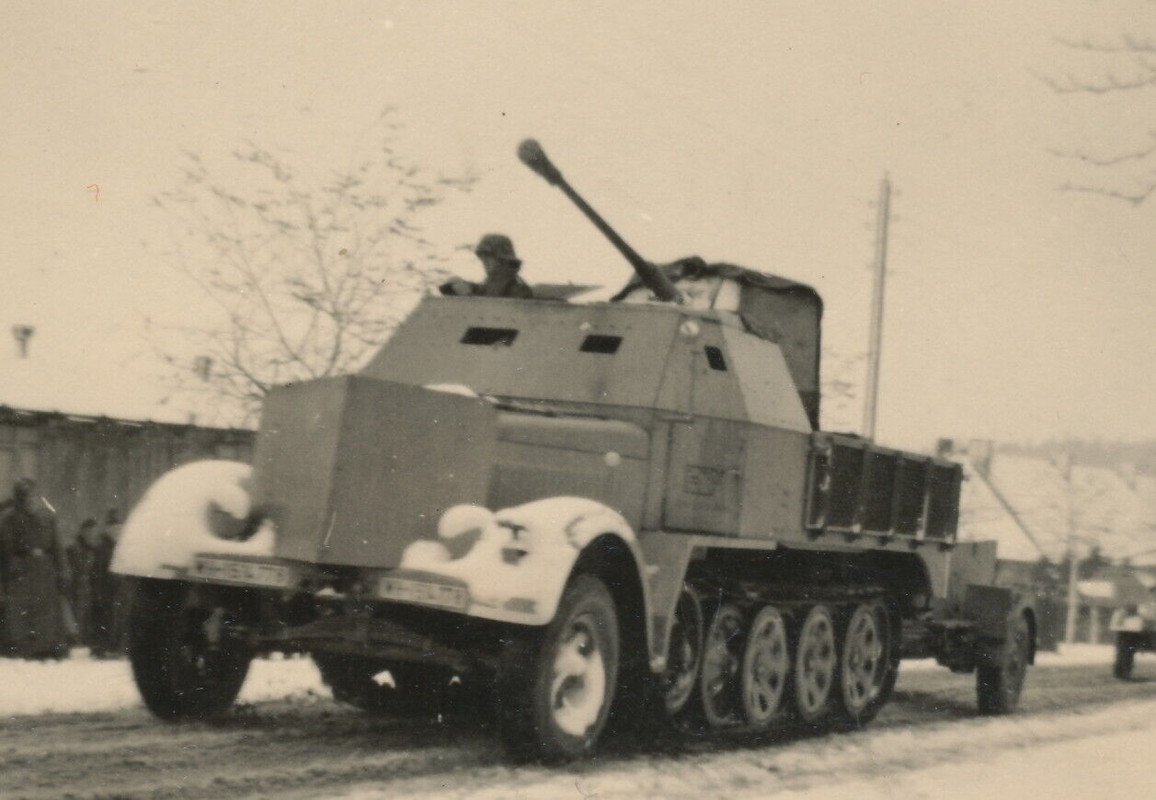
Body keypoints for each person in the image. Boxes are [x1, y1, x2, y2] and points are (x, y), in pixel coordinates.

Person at [0, 479, 71, 659]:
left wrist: (63, 571)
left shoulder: (48, 517)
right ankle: (22, 647)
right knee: (20, 611)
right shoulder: (9, 519)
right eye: (25, 496)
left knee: (45, 611)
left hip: (44, 569)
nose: (29, 500)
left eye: (32, 495)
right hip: (20, 570)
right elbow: (5, 549)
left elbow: (57, 547)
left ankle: (45, 647)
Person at [440, 234, 534, 299]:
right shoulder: (498, 281)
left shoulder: (505, 282)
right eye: (483, 258)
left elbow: (490, 309)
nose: (484, 262)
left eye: (488, 258)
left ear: (501, 260)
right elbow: (484, 292)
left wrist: (468, 296)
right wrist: (464, 286)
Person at [89, 509, 127, 657]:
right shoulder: (102, 548)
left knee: (120, 618)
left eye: (119, 528)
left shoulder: (124, 547)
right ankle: (103, 647)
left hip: (121, 589)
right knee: (106, 618)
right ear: (108, 529)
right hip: (107, 589)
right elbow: (96, 571)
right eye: (114, 528)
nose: (116, 531)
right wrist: (97, 590)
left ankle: (119, 647)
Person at [66, 518, 100, 652]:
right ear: (83, 531)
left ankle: (84, 640)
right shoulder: (74, 548)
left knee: (87, 614)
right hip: (77, 586)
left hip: (88, 586)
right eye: (89, 531)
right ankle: (75, 642)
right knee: (77, 614)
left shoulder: (92, 548)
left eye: (93, 531)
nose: (91, 534)